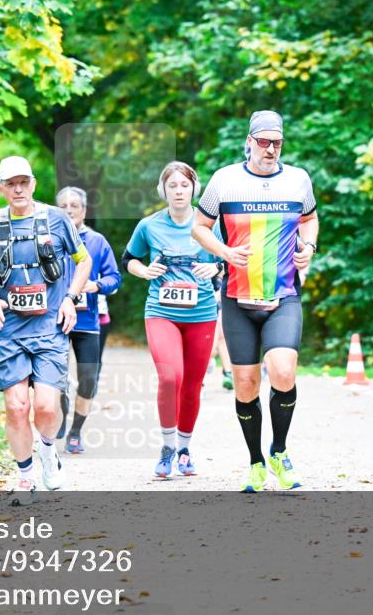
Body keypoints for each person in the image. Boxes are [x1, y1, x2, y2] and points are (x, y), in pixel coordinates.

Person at [193, 110, 318, 492]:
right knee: (245, 385)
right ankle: (256, 462)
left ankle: (280, 451)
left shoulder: (298, 180)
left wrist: (309, 246)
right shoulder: (225, 181)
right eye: (263, 141)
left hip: (284, 295)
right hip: (237, 298)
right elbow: (199, 227)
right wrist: (225, 253)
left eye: (277, 142)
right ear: (249, 141)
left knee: (282, 372)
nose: (270, 149)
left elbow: (310, 218)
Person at [0, 156, 92, 505]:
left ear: (34, 184)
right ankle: (25, 476)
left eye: (24, 181)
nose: (18, 188)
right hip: (9, 330)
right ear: (1, 189)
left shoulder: (56, 218)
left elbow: (83, 262)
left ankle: (49, 453)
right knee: (16, 406)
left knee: (47, 407)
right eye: (11, 183)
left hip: (50, 326)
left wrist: (70, 297)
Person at [122, 161, 223, 478]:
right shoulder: (149, 225)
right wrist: (144, 271)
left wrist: (216, 268)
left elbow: (229, 259)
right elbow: (129, 259)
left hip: (202, 314)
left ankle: (183, 449)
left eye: (184, 185)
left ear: (195, 188)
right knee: (170, 377)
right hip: (161, 312)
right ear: (163, 190)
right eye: (172, 186)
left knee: (192, 385)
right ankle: (166, 448)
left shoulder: (210, 225)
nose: (179, 191)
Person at [55, 186, 121, 454]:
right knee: (54, 376)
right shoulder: (47, 239)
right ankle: (59, 411)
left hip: (88, 321)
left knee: (89, 378)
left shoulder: (97, 242)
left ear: (84, 210)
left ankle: (75, 431)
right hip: (55, 320)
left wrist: (94, 286)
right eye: (64, 205)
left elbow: (115, 278)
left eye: (75, 205)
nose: (69, 209)